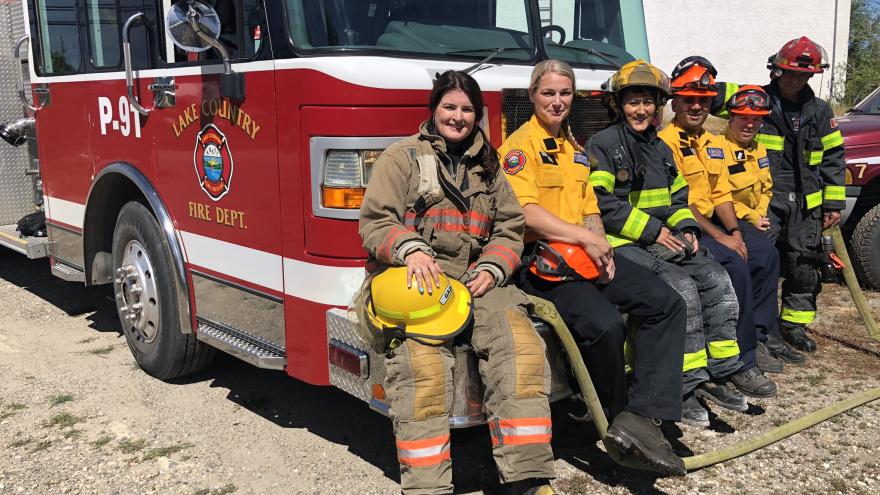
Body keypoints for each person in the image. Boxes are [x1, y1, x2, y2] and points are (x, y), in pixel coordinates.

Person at [358, 70, 556, 495]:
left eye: (467, 109)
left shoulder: (490, 163)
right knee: (422, 372)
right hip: (418, 283)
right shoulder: (401, 158)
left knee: (520, 349)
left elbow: (510, 228)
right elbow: (376, 223)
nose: (458, 116)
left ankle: (527, 480)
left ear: (477, 115)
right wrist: (409, 247)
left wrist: (494, 268)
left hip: (480, 281)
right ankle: (428, 488)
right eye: (450, 106)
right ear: (434, 109)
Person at [500, 59, 688, 476]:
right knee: (605, 325)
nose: (557, 101)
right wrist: (584, 238)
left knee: (666, 302)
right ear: (533, 96)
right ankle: (615, 413)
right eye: (548, 93)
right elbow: (526, 214)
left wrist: (601, 246)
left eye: (565, 93)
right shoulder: (518, 149)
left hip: (586, 257)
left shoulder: (575, 150)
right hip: (543, 266)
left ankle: (644, 414)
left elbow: (590, 210)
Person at [587, 60, 747, 429]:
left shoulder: (660, 149)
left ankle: (721, 371)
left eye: (647, 102)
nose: (641, 110)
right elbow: (600, 203)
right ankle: (684, 385)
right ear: (618, 105)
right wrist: (652, 231)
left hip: (660, 237)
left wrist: (688, 229)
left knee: (715, 277)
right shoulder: (604, 144)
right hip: (622, 242)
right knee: (682, 289)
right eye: (633, 102)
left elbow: (678, 199)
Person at [713, 37, 846, 354]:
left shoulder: (819, 111)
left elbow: (834, 156)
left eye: (802, 75)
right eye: (789, 73)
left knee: (804, 264)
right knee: (761, 263)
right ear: (776, 70)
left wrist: (833, 203)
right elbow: (706, 93)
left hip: (806, 203)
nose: (795, 80)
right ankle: (757, 328)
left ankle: (793, 325)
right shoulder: (756, 99)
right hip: (765, 202)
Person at [658, 57, 780, 397]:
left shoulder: (711, 142)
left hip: (717, 222)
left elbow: (721, 192)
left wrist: (737, 233)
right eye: (689, 100)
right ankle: (741, 360)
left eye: (703, 100)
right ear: (675, 102)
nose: (697, 106)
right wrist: (723, 238)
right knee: (736, 266)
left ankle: (756, 335)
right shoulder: (666, 142)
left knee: (765, 255)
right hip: (686, 224)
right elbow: (682, 203)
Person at [709, 84, 806, 367]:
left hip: (754, 218)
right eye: (743, 118)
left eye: (756, 119)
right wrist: (751, 217)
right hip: (725, 218)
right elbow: (720, 194)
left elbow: (766, 188)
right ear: (731, 118)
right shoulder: (717, 148)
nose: (749, 124)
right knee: (762, 257)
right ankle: (753, 336)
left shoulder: (759, 150)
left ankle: (767, 334)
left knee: (770, 258)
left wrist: (760, 214)